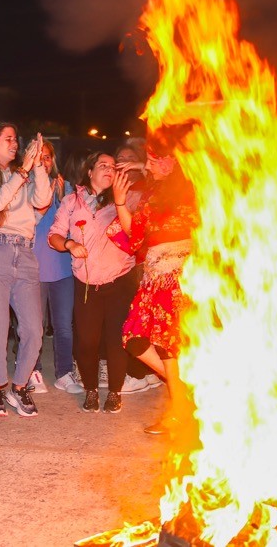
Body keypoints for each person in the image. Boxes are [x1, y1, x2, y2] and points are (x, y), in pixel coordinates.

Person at [0, 120, 51, 417]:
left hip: (25, 253)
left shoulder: (23, 174)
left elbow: (43, 199)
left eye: (17, 140)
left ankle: (19, 385)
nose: (15, 144)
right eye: (9, 139)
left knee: (33, 329)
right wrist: (22, 172)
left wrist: (38, 163)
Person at [115, 151, 199, 434]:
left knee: (166, 342)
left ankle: (179, 409)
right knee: (134, 338)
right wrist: (120, 200)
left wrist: (141, 168)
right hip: (154, 276)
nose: (148, 166)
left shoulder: (192, 187)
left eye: (154, 159)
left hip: (178, 275)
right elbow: (135, 232)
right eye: (147, 160)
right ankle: (189, 393)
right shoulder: (155, 191)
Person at [48, 152, 136, 413]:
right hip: (86, 283)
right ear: (89, 171)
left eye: (113, 166)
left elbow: (136, 234)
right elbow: (53, 235)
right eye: (103, 165)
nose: (109, 169)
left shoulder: (126, 199)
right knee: (87, 340)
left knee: (116, 339)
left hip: (120, 278)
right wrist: (69, 244)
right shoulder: (72, 201)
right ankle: (91, 389)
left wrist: (120, 203)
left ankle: (116, 392)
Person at [33, 141, 81, 394]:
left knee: (63, 324)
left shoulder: (67, 189)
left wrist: (64, 198)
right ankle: (33, 370)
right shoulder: (24, 188)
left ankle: (64, 372)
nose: (44, 162)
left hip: (62, 267)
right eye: (39, 158)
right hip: (33, 267)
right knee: (34, 325)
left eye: (48, 157)